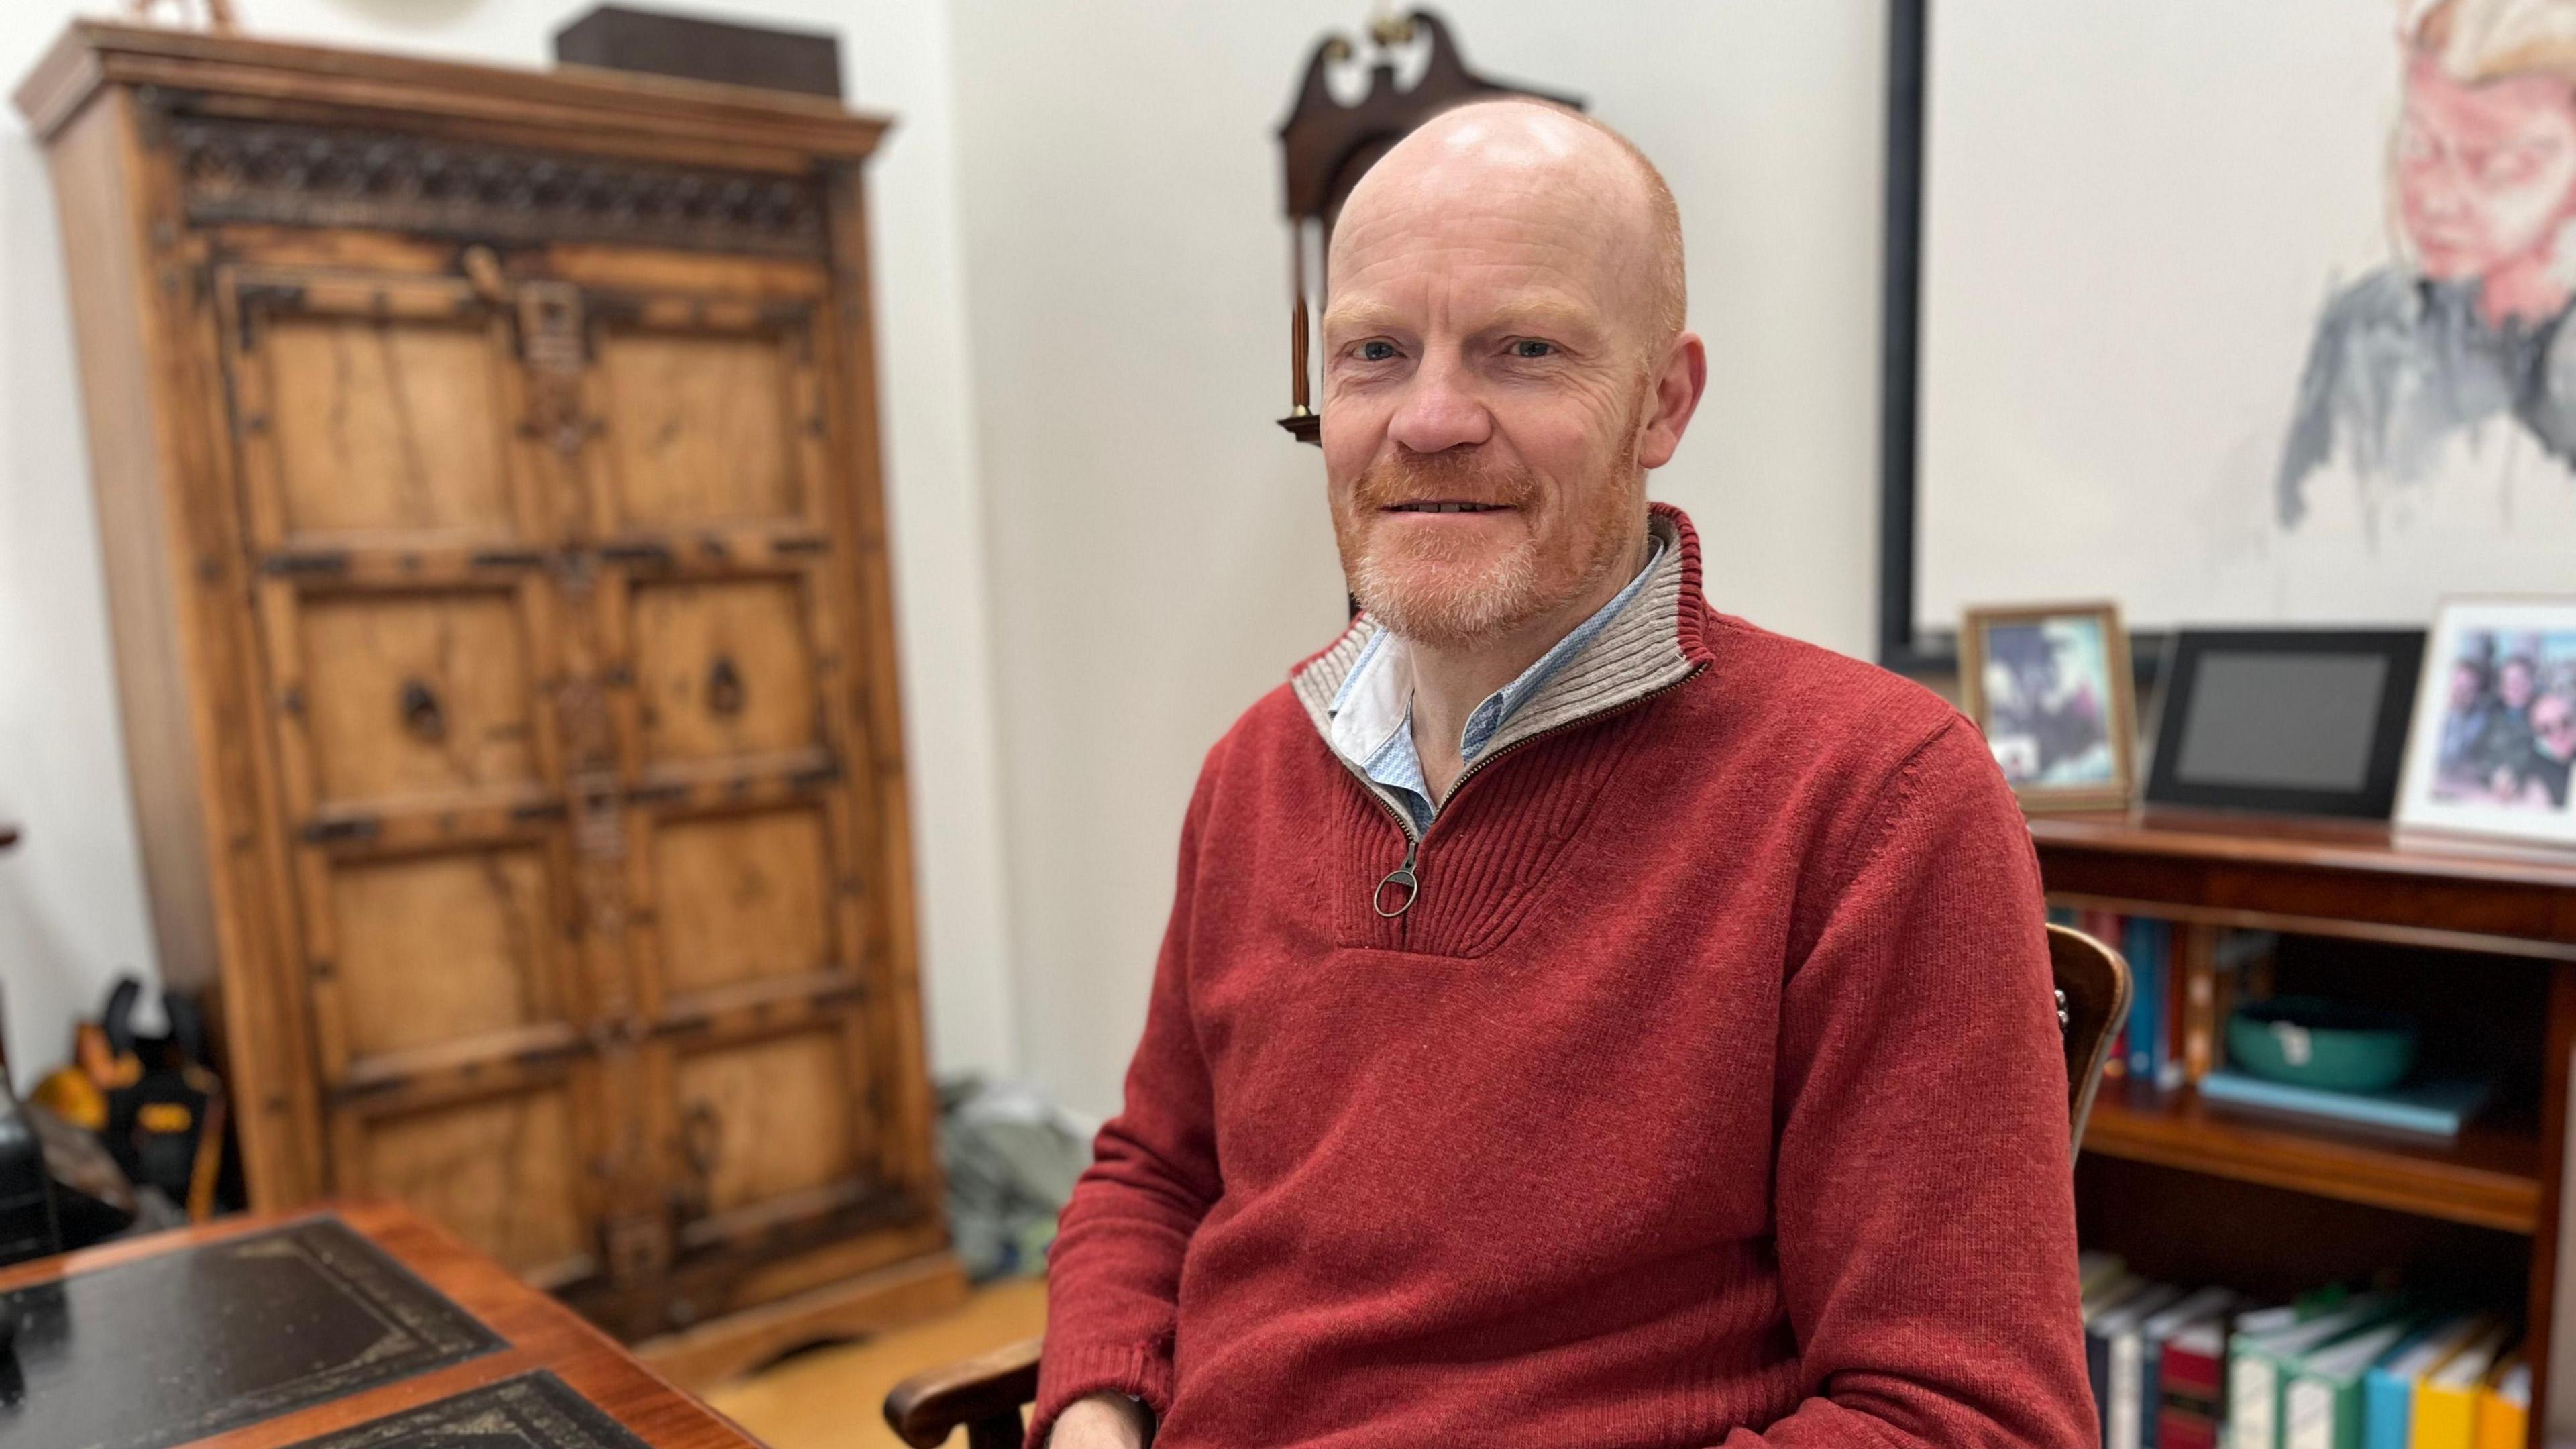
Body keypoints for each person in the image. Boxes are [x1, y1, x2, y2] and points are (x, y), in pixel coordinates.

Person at [1035, 100, 2090, 1449]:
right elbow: (1151, 1178)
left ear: (1665, 399)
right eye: (1373, 352)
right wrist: (1094, 1419)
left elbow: (1963, 1418)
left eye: (1521, 350)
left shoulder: (1878, 801)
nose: (1427, 418)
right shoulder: (1255, 767)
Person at [2277, 0, 2576, 529]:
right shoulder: (2364, 333)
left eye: (2503, 168)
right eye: (2420, 146)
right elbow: (2300, 560)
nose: (2436, 197)